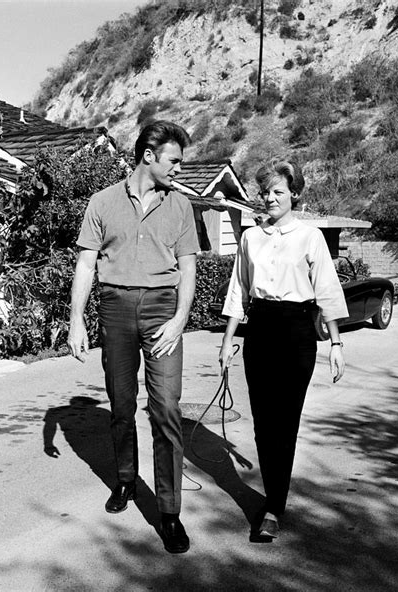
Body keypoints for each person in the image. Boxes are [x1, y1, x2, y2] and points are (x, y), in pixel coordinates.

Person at [68, 120, 199, 554]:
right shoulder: (102, 202)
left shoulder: (180, 206)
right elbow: (86, 264)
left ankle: (170, 511)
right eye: (174, 160)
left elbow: (188, 268)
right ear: (149, 155)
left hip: (164, 309)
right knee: (121, 405)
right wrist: (76, 320)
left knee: (166, 407)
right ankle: (126, 480)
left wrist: (181, 319)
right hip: (115, 309)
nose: (179, 168)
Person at [219, 159, 347, 542]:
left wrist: (336, 343)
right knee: (263, 421)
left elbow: (326, 290)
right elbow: (238, 291)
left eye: (278, 191)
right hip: (260, 328)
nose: (270, 198)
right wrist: (228, 339)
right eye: (266, 192)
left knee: (285, 421)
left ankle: (274, 505)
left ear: (295, 194)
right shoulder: (250, 238)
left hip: (296, 333)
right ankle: (274, 495)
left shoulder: (310, 237)